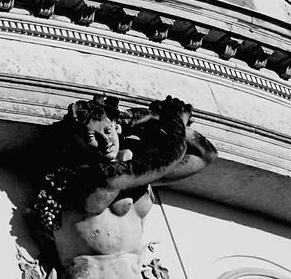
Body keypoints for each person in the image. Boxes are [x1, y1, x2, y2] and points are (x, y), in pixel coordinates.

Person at [33, 94, 217, 279]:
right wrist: (175, 121)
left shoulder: (135, 173)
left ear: (116, 126)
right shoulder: (91, 176)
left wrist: (157, 120)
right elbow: (169, 157)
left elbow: (206, 155)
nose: (105, 141)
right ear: (77, 143)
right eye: (92, 137)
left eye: (107, 130)